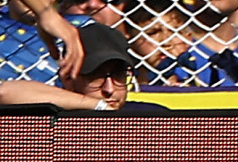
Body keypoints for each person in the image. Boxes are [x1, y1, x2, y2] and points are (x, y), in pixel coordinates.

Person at [0, 21, 166, 111]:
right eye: (95, 76)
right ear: (68, 78)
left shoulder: (149, 115)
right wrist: (97, 106)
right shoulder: (55, 114)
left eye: (118, 75)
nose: (109, 89)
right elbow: (4, 92)